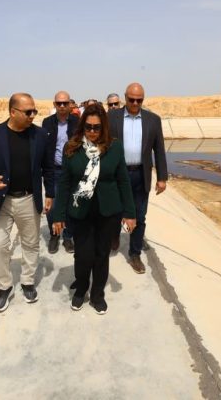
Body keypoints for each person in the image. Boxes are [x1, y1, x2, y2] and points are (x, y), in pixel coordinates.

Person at [0, 93, 54, 312]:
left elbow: (48, 168)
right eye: (28, 112)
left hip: (29, 199)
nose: (32, 115)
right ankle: (4, 286)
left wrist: (50, 194)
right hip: (1, 201)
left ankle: (27, 281)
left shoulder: (40, 135)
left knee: (31, 244)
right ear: (13, 112)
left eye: (34, 111)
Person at [52, 104, 136, 315]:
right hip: (81, 211)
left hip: (108, 212)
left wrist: (130, 213)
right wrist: (58, 215)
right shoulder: (72, 148)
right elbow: (64, 183)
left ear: (103, 127)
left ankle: (97, 294)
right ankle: (81, 288)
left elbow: (123, 181)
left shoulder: (114, 147)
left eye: (96, 127)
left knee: (101, 255)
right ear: (82, 126)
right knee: (83, 255)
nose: (92, 131)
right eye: (88, 127)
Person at [107, 83, 168, 275]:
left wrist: (162, 177)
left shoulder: (153, 120)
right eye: (131, 99)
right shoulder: (112, 117)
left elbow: (159, 149)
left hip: (141, 175)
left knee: (139, 216)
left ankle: (134, 254)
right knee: (114, 212)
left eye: (139, 100)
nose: (135, 103)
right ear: (125, 98)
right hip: (118, 174)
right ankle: (113, 237)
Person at [41, 91, 78, 254]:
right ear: (54, 104)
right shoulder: (47, 122)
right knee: (52, 206)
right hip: (53, 171)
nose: (62, 106)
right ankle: (55, 235)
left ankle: (68, 237)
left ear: (70, 104)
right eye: (59, 103)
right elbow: (42, 147)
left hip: (72, 171)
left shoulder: (77, 122)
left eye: (65, 103)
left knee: (71, 205)